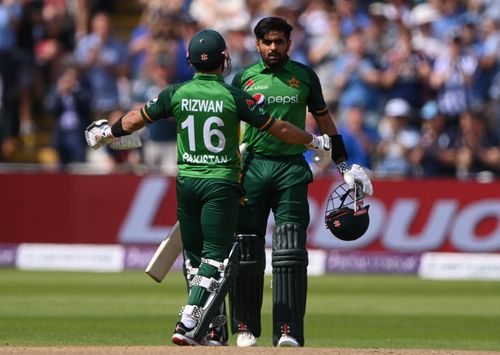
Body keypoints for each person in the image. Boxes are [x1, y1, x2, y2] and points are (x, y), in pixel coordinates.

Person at [86, 28, 332, 347]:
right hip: (221, 183)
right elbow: (280, 129)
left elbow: (134, 120)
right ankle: (189, 319)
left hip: (187, 182)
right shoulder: (233, 95)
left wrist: (108, 132)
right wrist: (313, 140)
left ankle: (212, 329)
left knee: (193, 257)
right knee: (216, 259)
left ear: (189, 61)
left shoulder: (175, 93)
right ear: (224, 59)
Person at [228, 17, 373, 348]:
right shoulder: (245, 78)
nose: (273, 48)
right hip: (251, 168)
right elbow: (229, 120)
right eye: (267, 42)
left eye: (279, 42)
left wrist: (344, 164)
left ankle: (288, 330)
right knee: (247, 248)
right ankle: (245, 325)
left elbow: (325, 122)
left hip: (291, 169)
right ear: (257, 45)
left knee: (291, 249)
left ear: (289, 44)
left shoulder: (304, 77)